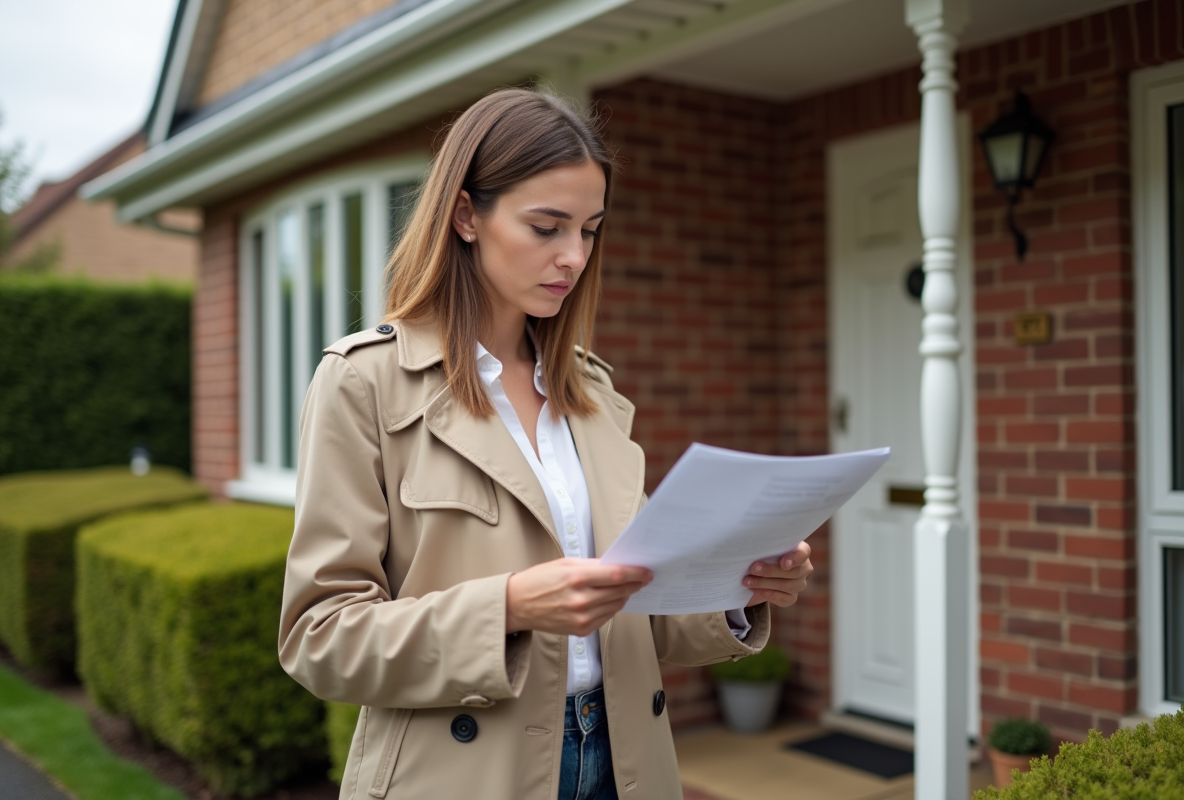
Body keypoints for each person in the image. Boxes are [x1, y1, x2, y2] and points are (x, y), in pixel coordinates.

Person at [278, 88, 814, 800]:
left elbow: (638, 612)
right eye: (546, 227)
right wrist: (508, 608)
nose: (574, 256)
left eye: (590, 230)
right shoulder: (364, 382)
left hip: (625, 762)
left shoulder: (591, 392)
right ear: (466, 215)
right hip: (465, 775)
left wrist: (738, 589)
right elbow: (320, 637)